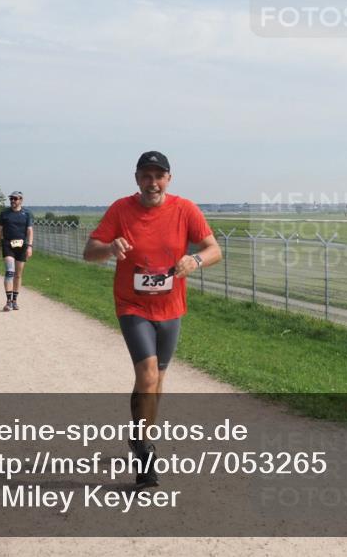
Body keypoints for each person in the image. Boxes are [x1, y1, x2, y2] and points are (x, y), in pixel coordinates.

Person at [83, 151, 221, 487]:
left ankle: (138, 434)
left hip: (171, 307)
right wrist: (110, 249)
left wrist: (196, 262)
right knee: (146, 374)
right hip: (132, 305)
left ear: (169, 179)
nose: (153, 182)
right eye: (146, 175)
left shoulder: (185, 209)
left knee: (157, 380)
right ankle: (144, 452)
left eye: (159, 176)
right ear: (137, 178)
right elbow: (89, 251)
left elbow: (214, 248)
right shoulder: (121, 209)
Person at [0, 191, 33, 312]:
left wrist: (30, 246)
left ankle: (15, 300)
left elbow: (30, 231)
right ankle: (8, 301)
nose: (13, 201)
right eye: (11, 199)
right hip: (8, 244)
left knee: (18, 274)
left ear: (21, 200)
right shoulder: (5, 213)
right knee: (10, 271)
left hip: (22, 245)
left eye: (15, 199)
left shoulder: (27, 213)